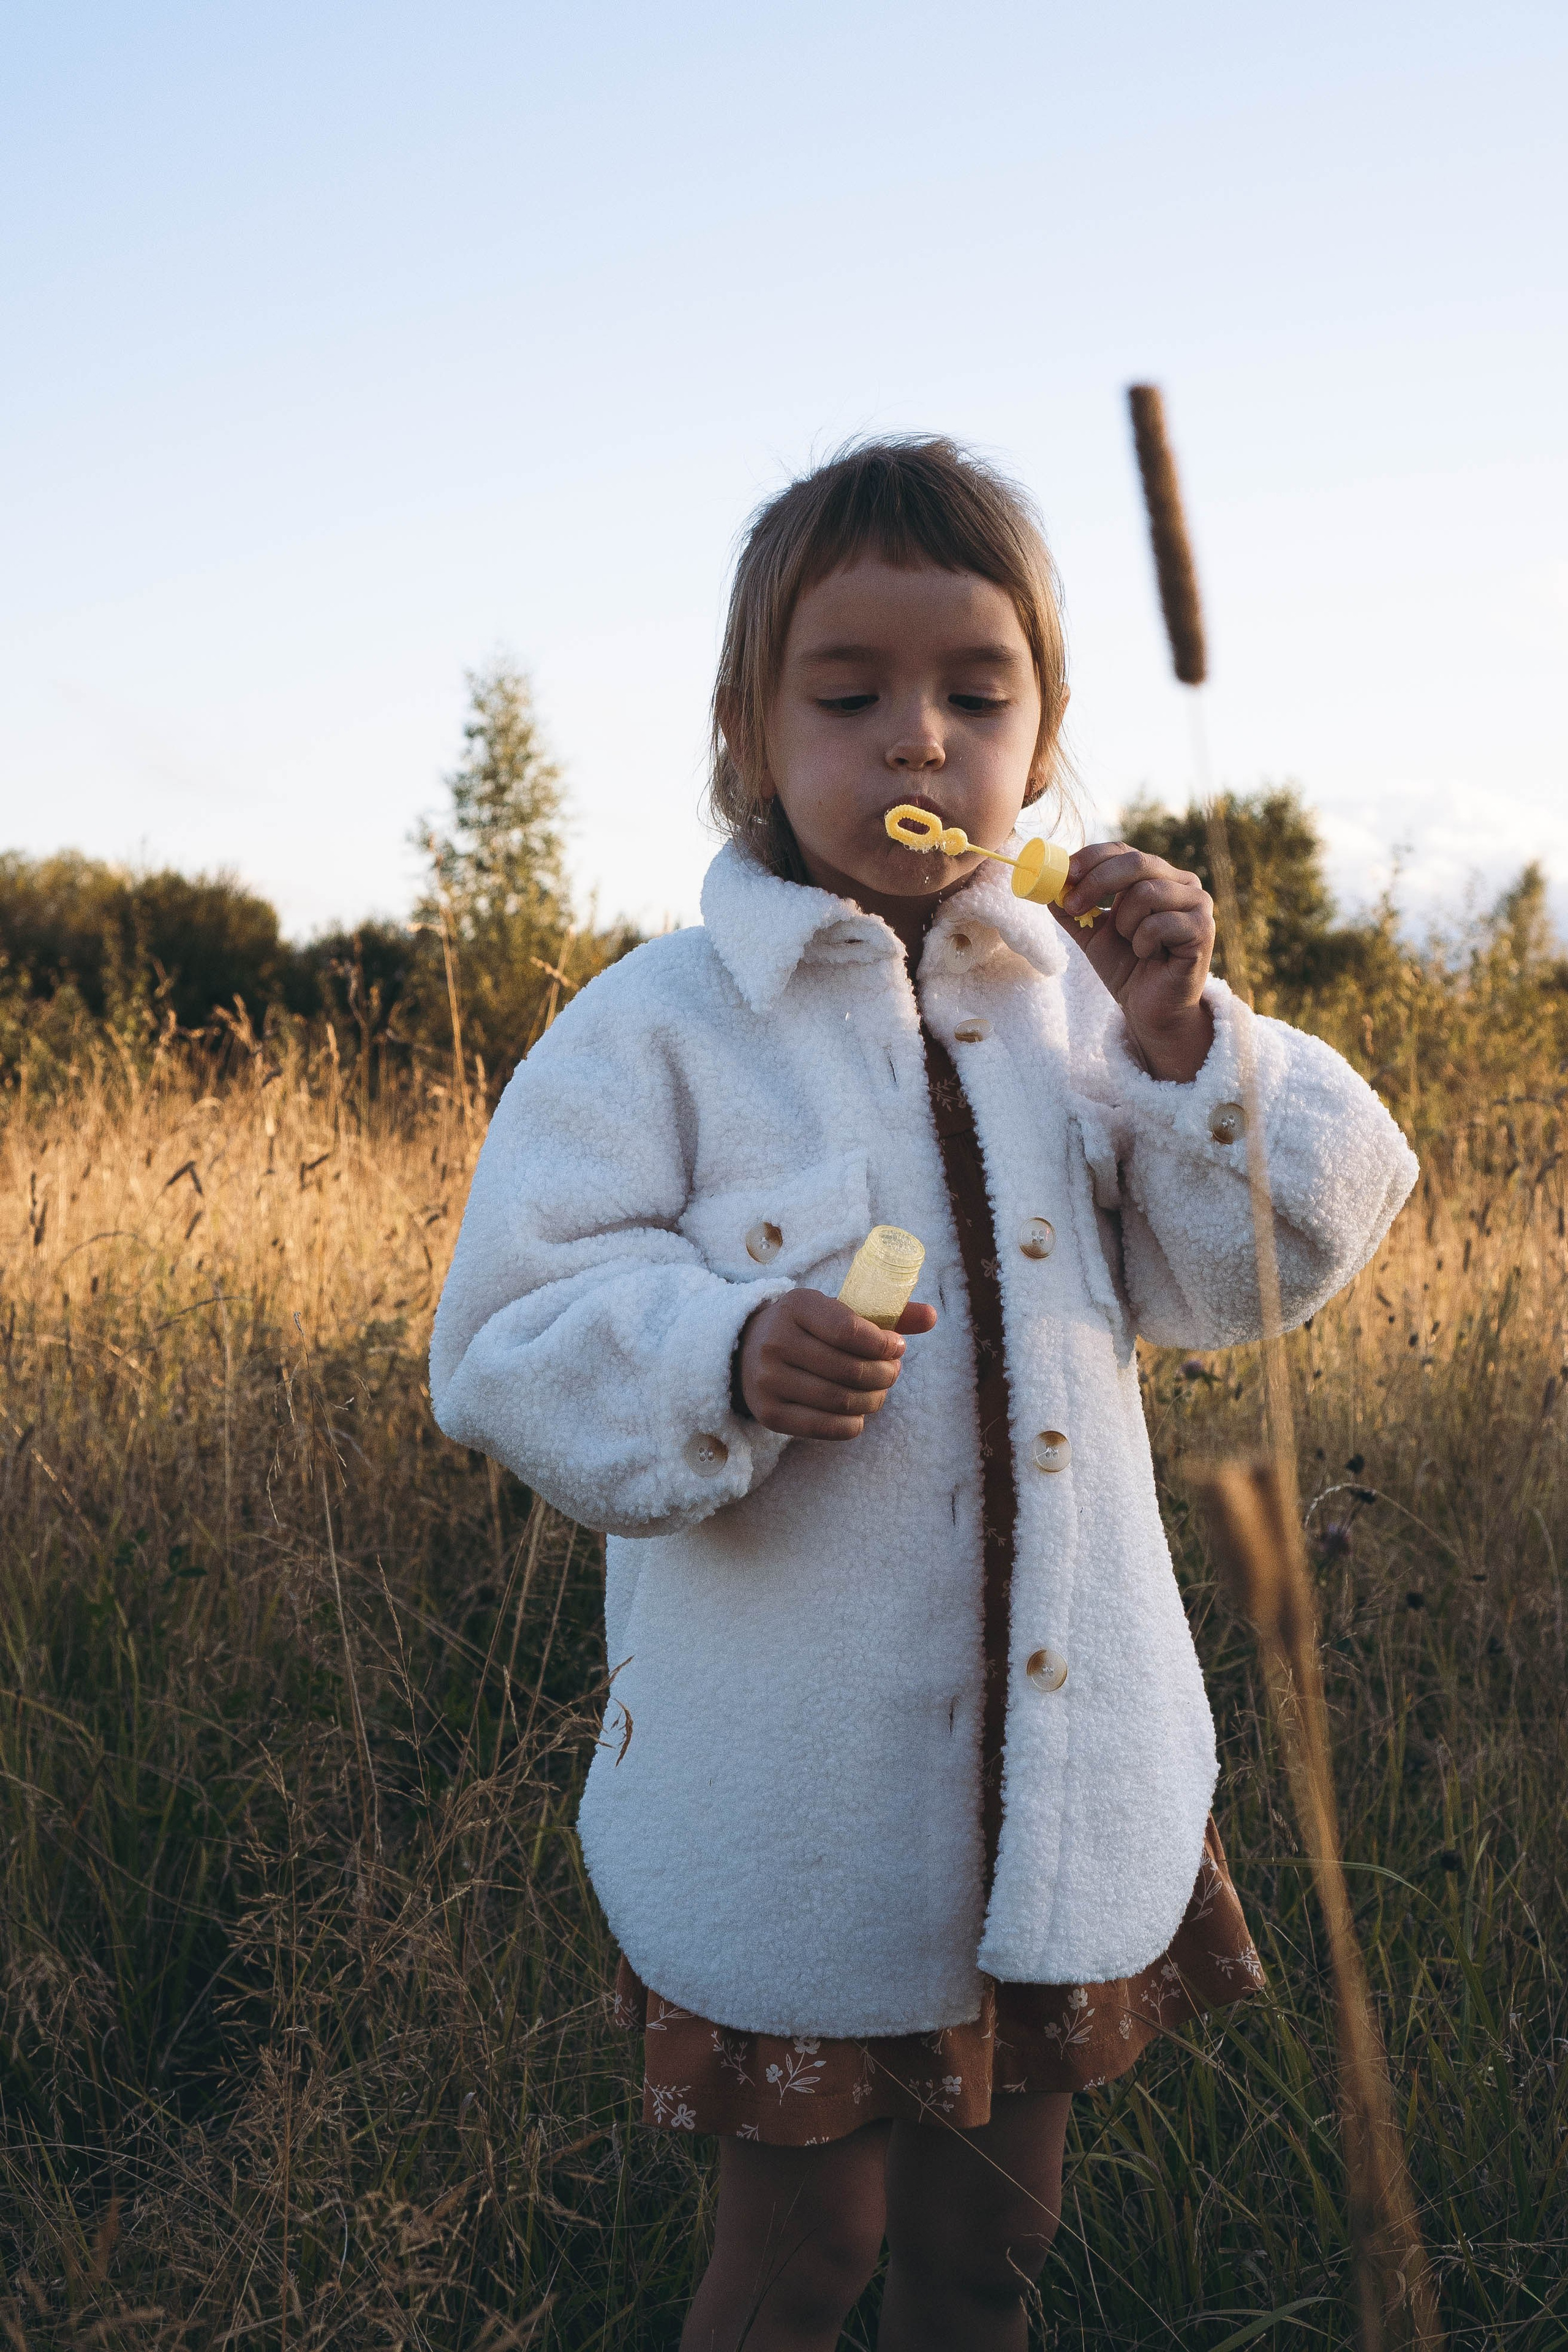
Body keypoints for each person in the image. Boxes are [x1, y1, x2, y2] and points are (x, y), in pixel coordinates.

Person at [430, 438, 1417, 2350]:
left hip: (1057, 1777)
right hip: (796, 1809)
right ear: (745, 730)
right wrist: (721, 1349)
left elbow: (1251, 1271)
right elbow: (509, 1333)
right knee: (799, 2261)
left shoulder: (1084, 1009)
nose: (918, 741)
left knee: (989, 2254)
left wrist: (1185, 1042)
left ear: (1044, 750)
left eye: (978, 696)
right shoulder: (661, 1028)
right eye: (848, 696)